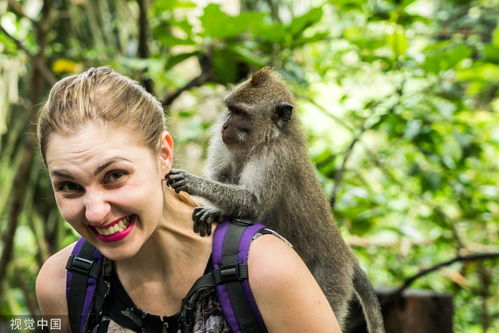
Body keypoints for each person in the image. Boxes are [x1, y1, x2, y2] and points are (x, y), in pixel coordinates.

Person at [35, 66, 341, 333]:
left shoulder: (265, 269)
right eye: (69, 186)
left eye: (115, 176)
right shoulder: (62, 283)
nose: (96, 213)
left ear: (164, 156)